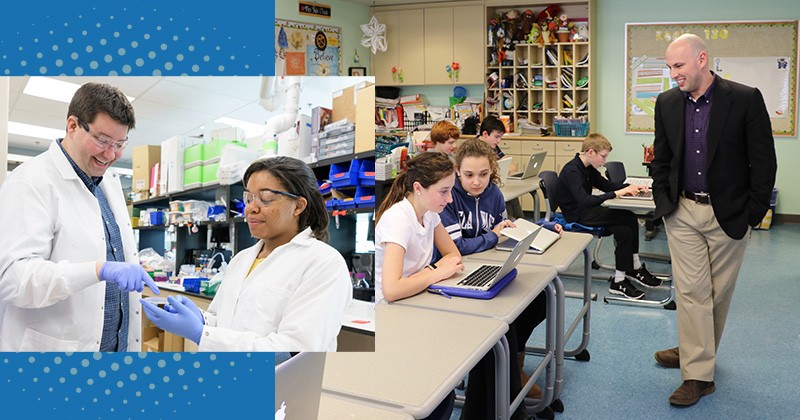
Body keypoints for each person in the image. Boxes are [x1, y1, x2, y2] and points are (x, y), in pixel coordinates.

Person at [650, 33, 777, 407]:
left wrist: (754, 213)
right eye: (669, 67)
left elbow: (764, 161)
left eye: (679, 66)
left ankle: (693, 349)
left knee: (717, 295)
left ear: (702, 58)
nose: (673, 74)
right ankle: (698, 375)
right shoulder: (667, 102)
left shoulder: (744, 99)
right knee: (692, 293)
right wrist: (664, 202)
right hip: (683, 210)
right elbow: (662, 158)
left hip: (730, 212)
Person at [0, 82, 160, 351]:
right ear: (72, 126)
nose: (110, 155)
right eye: (102, 141)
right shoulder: (30, 182)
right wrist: (98, 270)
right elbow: (12, 278)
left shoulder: (109, 182)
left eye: (120, 144)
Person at [140, 156, 352, 351]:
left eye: (265, 198)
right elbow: (222, 319)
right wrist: (201, 319)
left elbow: (295, 349)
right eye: (249, 198)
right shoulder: (242, 259)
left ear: (298, 206)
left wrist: (200, 333)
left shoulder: (324, 263)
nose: (251, 208)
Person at [439, 138, 563, 419]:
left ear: (492, 171)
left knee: (540, 298)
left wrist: (542, 226)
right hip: (458, 277)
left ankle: (513, 365)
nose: (476, 182)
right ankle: (508, 389)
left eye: (484, 174)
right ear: (457, 170)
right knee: (503, 321)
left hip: (487, 267)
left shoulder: (493, 193)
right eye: (469, 175)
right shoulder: (447, 195)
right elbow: (458, 247)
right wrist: (492, 236)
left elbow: (507, 227)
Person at [374, 152, 463, 419]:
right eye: (444, 192)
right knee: (438, 395)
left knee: (444, 382)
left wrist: (430, 273)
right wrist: (435, 272)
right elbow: (392, 289)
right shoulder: (398, 220)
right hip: (392, 312)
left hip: (416, 300)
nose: (449, 200)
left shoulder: (429, 212)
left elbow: (453, 256)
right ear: (418, 188)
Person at [557, 133, 661, 300]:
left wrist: (632, 187)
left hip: (588, 211)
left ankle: (621, 279)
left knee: (624, 230)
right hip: (577, 216)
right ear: (590, 152)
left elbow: (607, 185)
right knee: (627, 218)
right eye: (603, 157)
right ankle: (632, 268)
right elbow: (585, 201)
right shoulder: (572, 170)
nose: (604, 161)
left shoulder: (588, 168)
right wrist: (616, 193)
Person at [478, 115, 524, 220]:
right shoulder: (476, 148)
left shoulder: (492, 145)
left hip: (497, 183)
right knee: (506, 197)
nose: (499, 141)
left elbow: (509, 164)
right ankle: (513, 220)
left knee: (513, 197)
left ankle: (519, 220)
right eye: (496, 136)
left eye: (500, 137)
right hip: (485, 188)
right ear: (485, 134)